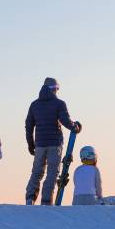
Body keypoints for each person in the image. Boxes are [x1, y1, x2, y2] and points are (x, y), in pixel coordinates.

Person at [25, 77, 81, 205]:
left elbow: (28, 125)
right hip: (55, 143)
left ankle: (30, 198)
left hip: (39, 144)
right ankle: (46, 201)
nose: (57, 91)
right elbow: (65, 121)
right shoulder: (59, 104)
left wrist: (30, 144)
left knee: (36, 172)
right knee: (52, 172)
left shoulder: (34, 105)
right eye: (56, 88)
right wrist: (75, 127)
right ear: (53, 89)